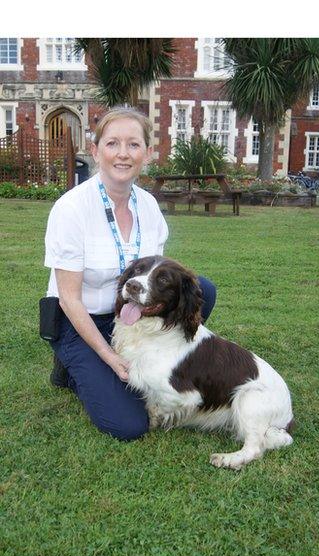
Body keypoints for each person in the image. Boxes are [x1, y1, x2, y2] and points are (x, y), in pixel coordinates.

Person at [44, 106, 216, 441]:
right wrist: (109, 357)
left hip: (130, 314)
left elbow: (160, 280)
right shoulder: (72, 209)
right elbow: (69, 298)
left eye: (134, 145)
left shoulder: (148, 206)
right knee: (129, 425)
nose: (123, 154)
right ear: (95, 150)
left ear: (148, 154)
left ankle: (158, 361)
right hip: (81, 320)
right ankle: (70, 369)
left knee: (201, 291)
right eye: (112, 144)